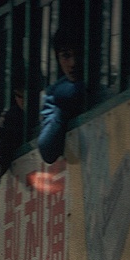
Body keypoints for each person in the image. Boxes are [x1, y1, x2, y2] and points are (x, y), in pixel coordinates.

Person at [37, 30, 84, 165]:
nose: (73, 63)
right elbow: (47, 150)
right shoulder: (55, 93)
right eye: (66, 56)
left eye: (79, 54)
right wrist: (62, 112)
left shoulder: (105, 82)